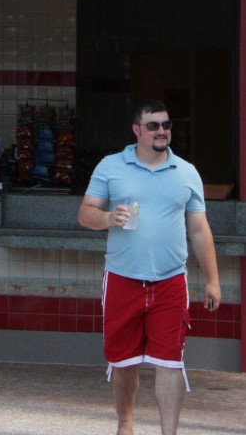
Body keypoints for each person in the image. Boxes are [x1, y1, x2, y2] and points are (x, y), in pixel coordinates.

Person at [78, 99, 221, 435]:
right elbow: (85, 213)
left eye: (167, 125)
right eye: (154, 125)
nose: (162, 131)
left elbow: (199, 229)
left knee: (170, 363)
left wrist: (213, 279)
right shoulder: (110, 166)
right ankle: (125, 424)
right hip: (122, 279)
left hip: (170, 280)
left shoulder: (186, 172)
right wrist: (108, 218)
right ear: (137, 130)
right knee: (123, 361)